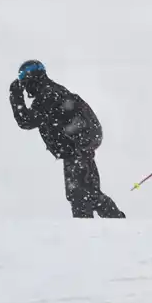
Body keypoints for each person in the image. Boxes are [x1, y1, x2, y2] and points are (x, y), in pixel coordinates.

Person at [9, 60, 125, 219]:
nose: (25, 87)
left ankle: (88, 228)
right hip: (81, 147)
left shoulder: (47, 95)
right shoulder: (54, 91)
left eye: (24, 82)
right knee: (90, 193)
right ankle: (117, 222)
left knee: (79, 194)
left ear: (31, 79)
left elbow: (26, 121)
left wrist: (15, 95)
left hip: (76, 149)